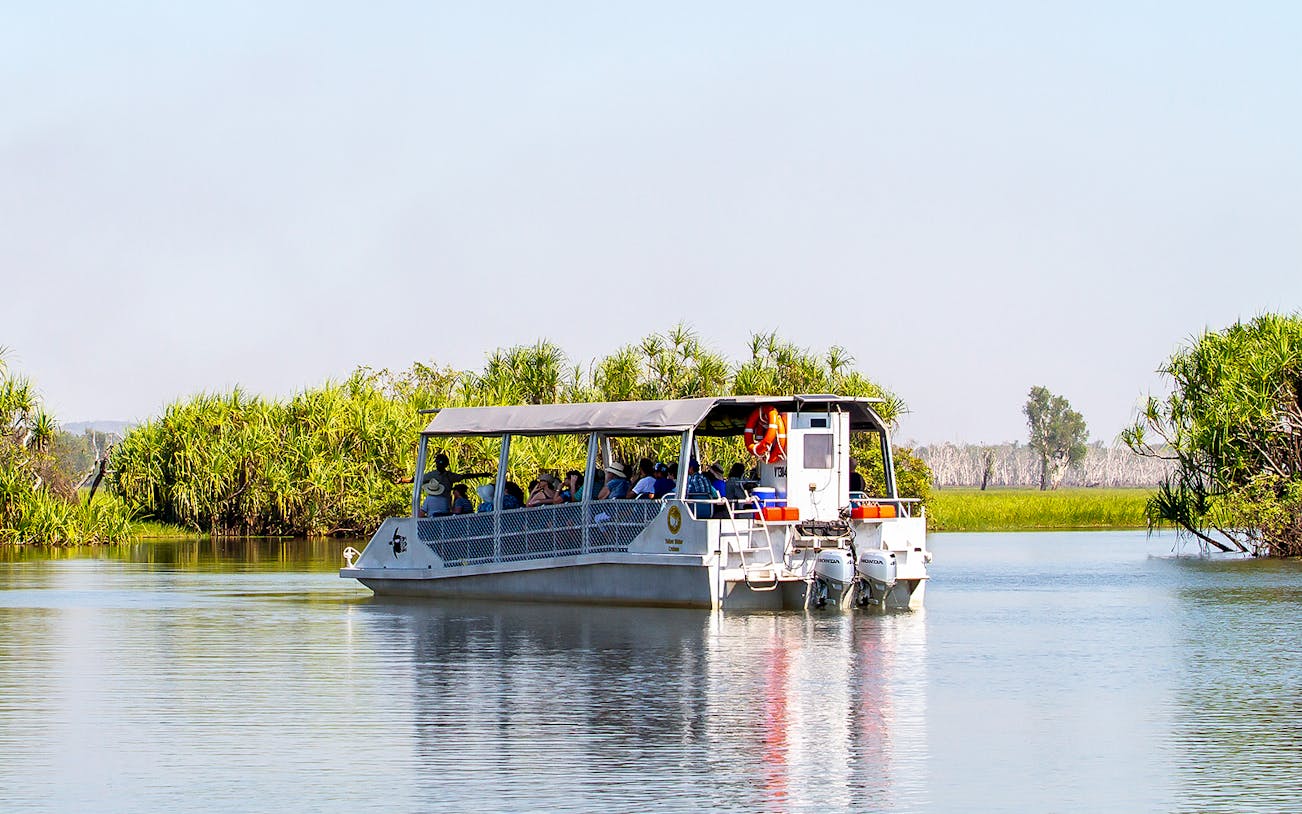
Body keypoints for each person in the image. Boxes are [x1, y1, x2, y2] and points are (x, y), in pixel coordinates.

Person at [420, 453, 492, 517]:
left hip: (445, 503)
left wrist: (482, 474)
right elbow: (464, 476)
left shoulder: (447, 476)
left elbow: (464, 476)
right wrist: (482, 474)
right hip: (446, 504)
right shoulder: (435, 475)